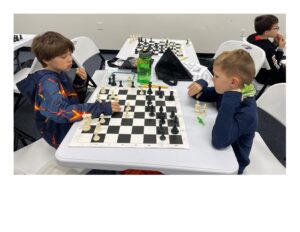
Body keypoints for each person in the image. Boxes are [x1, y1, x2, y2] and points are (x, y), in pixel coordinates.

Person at [17, 31, 121, 149]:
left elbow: (72, 101)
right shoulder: (48, 84)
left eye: (70, 54)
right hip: (60, 134)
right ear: (46, 59)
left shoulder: (59, 72)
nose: (70, 59)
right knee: (111, 139)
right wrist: (100, 107)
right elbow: (61, 112)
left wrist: (79, 84)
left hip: (69, 122)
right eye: (63, 57)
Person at [187, 49, 257, 174]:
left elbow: (219, 141)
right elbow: (198, 95)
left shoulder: (247, 112)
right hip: (215, 152)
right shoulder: (228, 90)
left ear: (233, 82)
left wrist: (229, 100)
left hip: (231, 165)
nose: (212, 79)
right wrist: (201, 83)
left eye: (216, 76)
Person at [247, 14, 286, 85]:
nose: (277, 29)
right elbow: (276, 66)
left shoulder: (252, 37)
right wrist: (280, 48)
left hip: (258, 72)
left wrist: (274, 43)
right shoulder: (268, 48)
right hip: (268, 77)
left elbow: (269, 54)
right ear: (266, 32)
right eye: (276, 28)